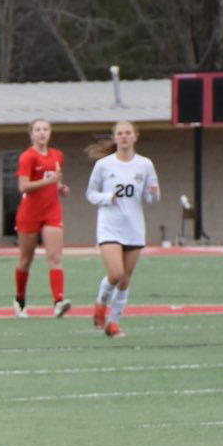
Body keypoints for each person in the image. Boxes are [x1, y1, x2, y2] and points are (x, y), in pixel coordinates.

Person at [84, 120, 160, 338]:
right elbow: (90, 194)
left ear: (135, 137)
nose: (124, 136)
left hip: (134, 228)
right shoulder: (104, 165)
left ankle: (114, 322)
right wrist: (108, 197)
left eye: (128, 133)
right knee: (116, 274)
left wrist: (153, 193)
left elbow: (151, 198)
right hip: (110, 226)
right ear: (115, 137)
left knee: (125, 279)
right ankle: (101, 303)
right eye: (120, 133)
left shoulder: (145, 164)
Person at [12, 118, 72, 317]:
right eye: (37, 129)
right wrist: (49, 182)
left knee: (54, 257)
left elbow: (54, 181)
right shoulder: (28, 157)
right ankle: (20, 300)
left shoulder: (57, 155)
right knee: (25, 259)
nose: (42, 133)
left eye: (45, 129)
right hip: (29, 213)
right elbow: (23, 186)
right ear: (31, 134)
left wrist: (60, 187)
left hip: (52, 211)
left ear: (50, 132)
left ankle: (59, 302)